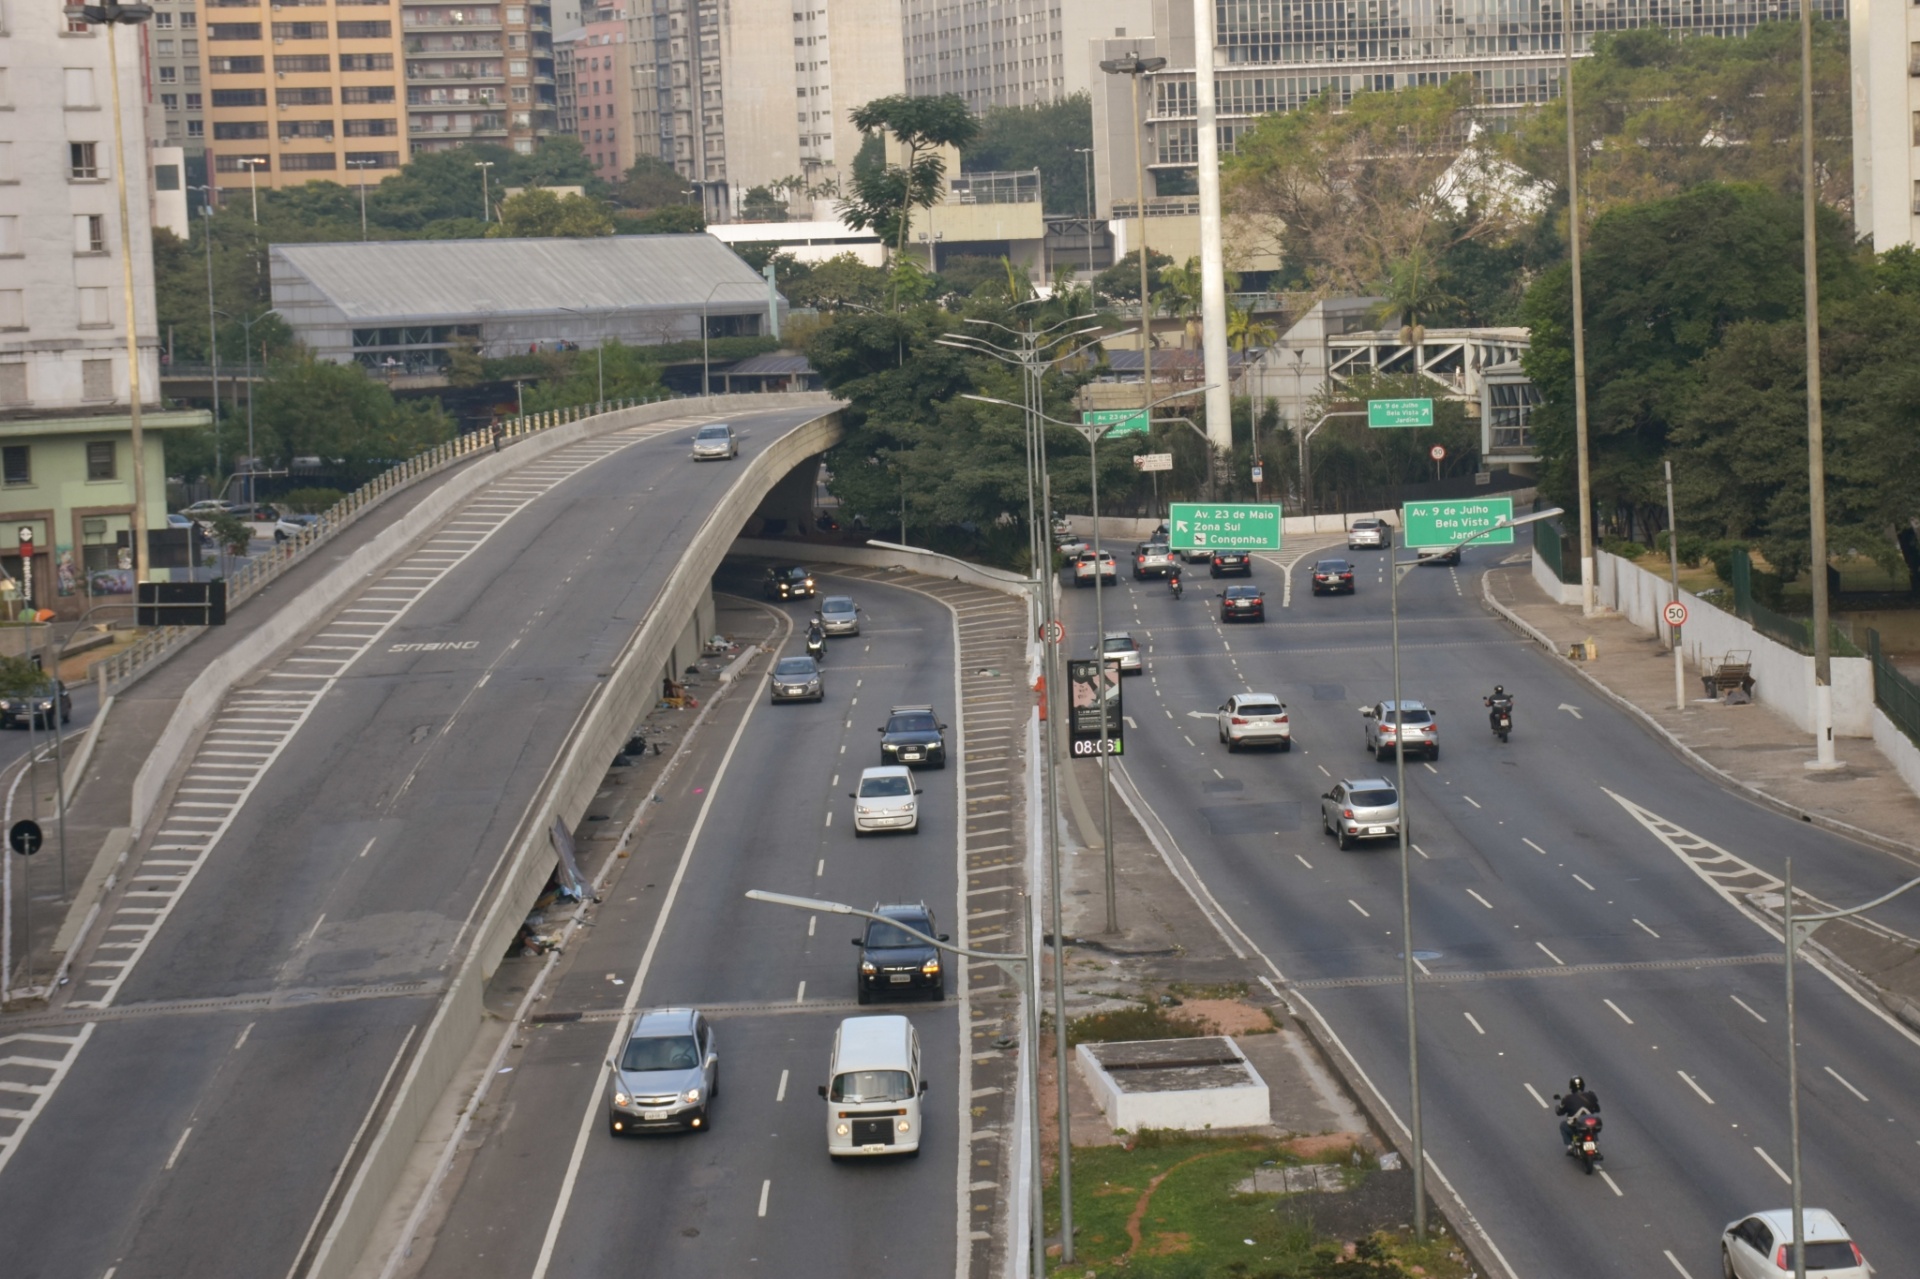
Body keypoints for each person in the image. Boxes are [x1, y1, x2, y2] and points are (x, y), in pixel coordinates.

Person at [1556, 1076, 1600, 1150]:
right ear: (1583, 1086)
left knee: (1563, 1125)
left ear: (1571, 1087)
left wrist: (1559, 1107)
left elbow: (1560, 1112)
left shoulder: (1567, 1098)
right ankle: (1596, 1141)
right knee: (1593, 1125)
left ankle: (1570, 1145)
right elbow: (1597, 1109)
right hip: (1589, 1123)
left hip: (1575, 1124)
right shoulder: (1591, 1095)